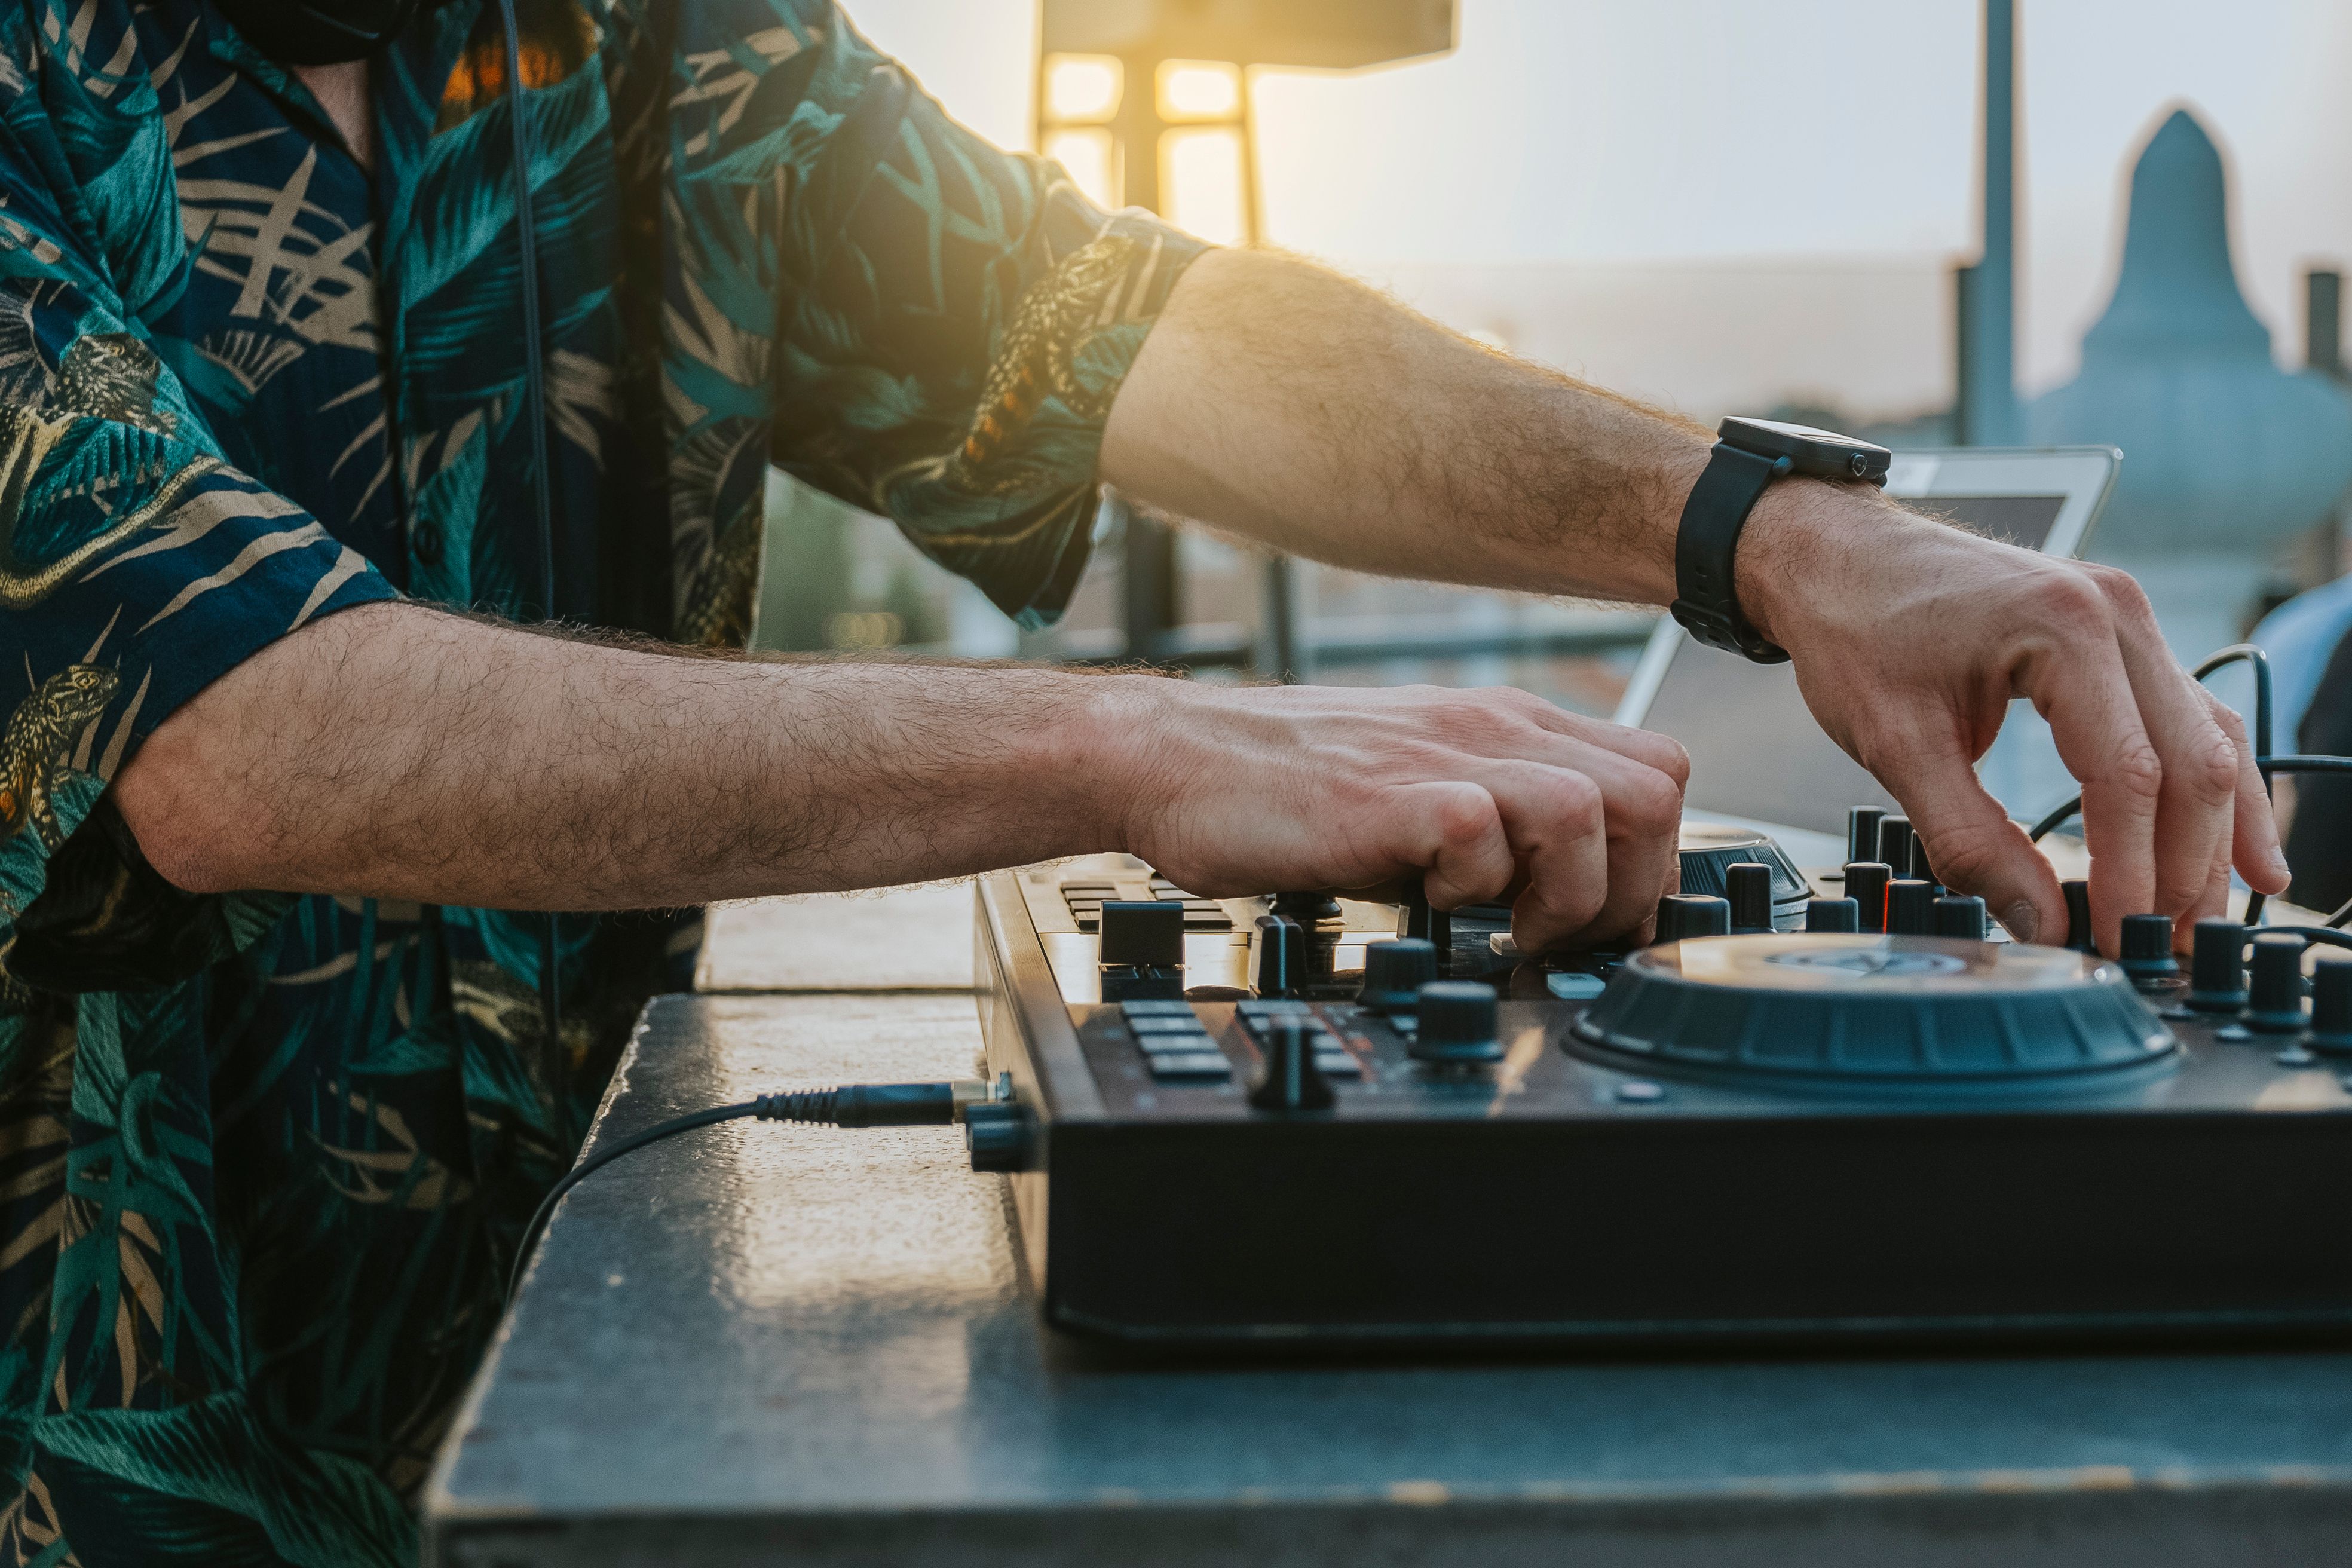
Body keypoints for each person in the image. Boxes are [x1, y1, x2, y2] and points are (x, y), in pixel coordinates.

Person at [0, 0, 2282, 1560]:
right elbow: (230, 720)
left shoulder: (663, 52)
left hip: (557, 1434)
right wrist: (1133, 736)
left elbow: (1111, 324)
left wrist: (1771, 526)